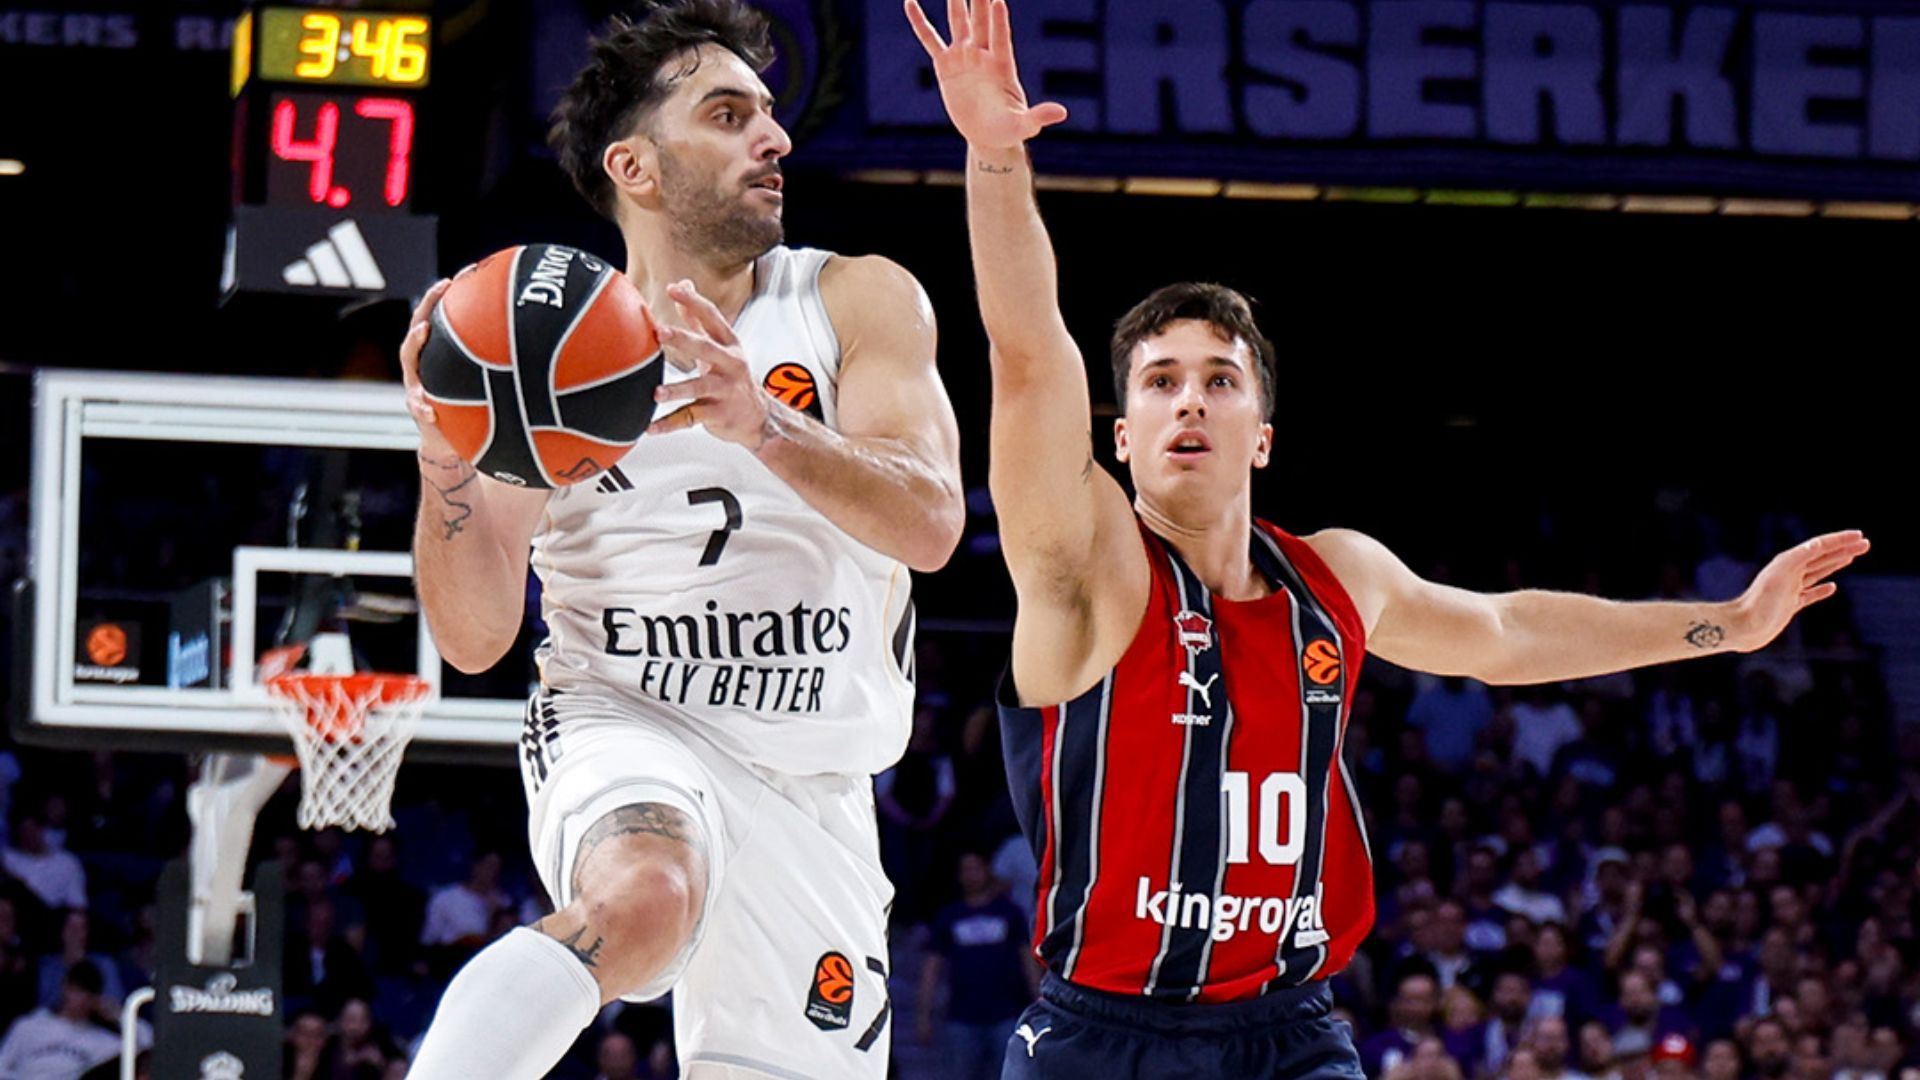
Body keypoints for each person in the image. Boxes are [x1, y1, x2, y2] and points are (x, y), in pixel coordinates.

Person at [904, 0, 1869, 1073]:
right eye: (1161, 382)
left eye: (1219, 380)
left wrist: (1728, 624)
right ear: (1120, 435)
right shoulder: (1089, 569)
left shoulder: (1337, 578)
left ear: (1262, 435)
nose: (1190, 402)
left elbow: (1506, 632)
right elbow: (1029, 354)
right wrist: (995, 159)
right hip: (1103, 1034)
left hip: (1288, 1030)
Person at [397, 1, 963, 1076]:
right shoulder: (546, 347)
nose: (775, 137)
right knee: (646, 895)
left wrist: (766, 425)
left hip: (816, 779)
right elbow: (472, 638)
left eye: (769, 113)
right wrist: (445, 464)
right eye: (729, 114)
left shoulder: (853, 298)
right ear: (636, 166)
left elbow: (933, 521)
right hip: (625, 716)